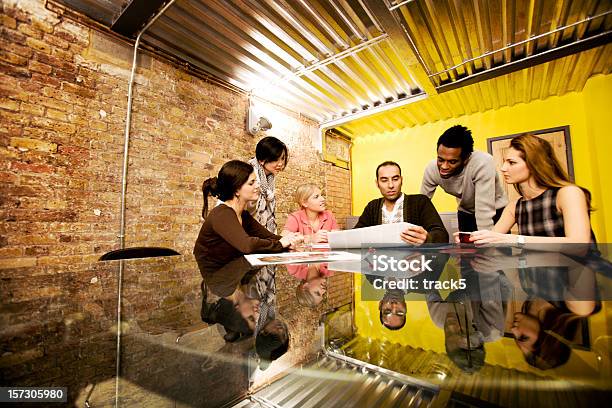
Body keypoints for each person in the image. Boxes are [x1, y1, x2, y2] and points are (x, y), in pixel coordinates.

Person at [464, 134, 595, 246]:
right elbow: (492, 241)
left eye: (511, 162)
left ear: (534, 164)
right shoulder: (513, 207)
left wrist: (515, 239)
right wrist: (471, 242)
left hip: (577, 274)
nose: (503, 168)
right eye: (504, 162)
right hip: (540, 275)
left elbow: (580, 245)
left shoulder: (568, 193)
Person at [193, 160, 300, 272]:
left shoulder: (243, 215)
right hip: (213, 276)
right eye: (251, 183)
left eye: (256, 181)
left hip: (229, 272)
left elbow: (268, 236)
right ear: (236, 190)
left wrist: (290, 241)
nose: (257, 186)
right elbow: (247, 245)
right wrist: (280, 244)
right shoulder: (222, 213)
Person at [421, 125, 508, 232]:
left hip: (495, 210)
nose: (444, 166)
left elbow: (484, 211)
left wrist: (487, 243)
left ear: (466, 159)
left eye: (452, 162)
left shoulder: (482, 163)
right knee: (467, 248)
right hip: (466, 212)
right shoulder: (432, 169)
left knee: (496, 246)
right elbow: (421, 203)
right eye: (440, 159)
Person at [355, 161, 448, 244]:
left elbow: (442, 235)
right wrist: (340, 235)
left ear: (401, 180)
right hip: (381, 261)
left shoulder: (420, 202)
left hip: (412, 261)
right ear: (377, 183)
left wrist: (428, 238)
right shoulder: (372, 207)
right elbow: (356, 234)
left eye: (395, 179)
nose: (391, 185)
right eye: (384, 180)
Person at [248, 136, 289, 233]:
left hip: (259, 233)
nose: (281, 163)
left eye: (282, 158)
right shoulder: (249, 176)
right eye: (275, 159)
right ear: (261, 160)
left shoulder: (269, 179)